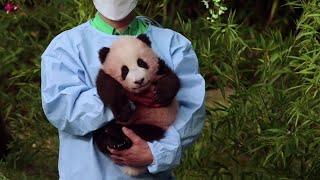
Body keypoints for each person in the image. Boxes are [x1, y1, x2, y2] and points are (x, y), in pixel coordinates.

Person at [41, 0, 205, 179]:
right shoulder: (64, 48)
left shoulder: (173, 44)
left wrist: (156, 152)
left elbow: (191, 112)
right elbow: (63, 110)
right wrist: (120, 97)